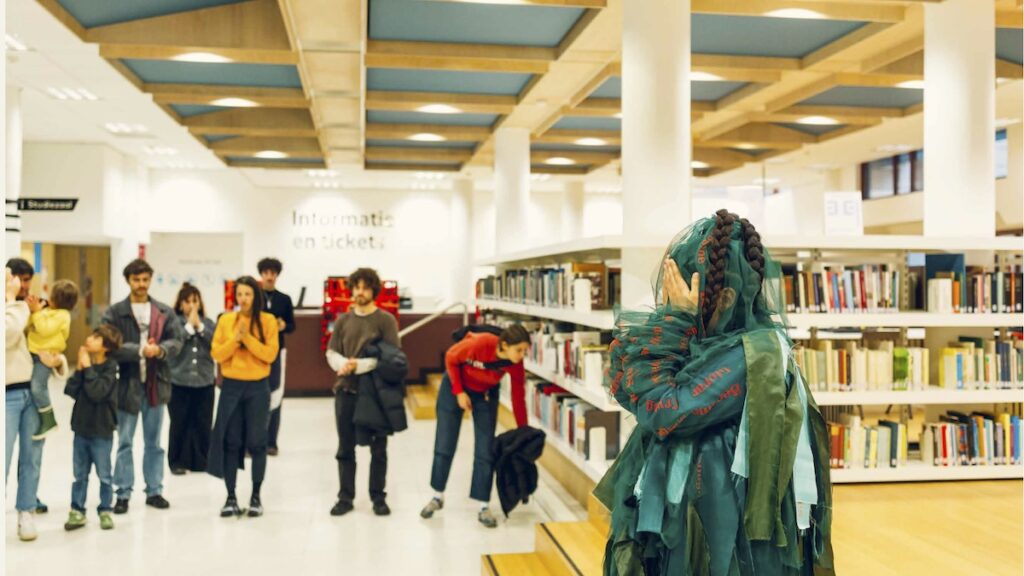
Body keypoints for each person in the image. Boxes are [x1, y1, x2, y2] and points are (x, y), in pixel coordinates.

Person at [595, 210, 834, 575]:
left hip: (720, 524)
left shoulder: (754, 355)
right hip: (683, 517)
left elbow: (665, 411)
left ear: (723, 298)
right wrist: (676, 325)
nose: (669, 301)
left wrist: (676, 322)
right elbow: (631, 390)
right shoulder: (699, 339)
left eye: (680, 291)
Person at [420, 323, 531, 528]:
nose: (522, 355)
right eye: (519, 350)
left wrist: (524, 430)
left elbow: (518, 398)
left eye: (525, 351)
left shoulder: (516, 364)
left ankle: (483, 506)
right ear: (504, 346)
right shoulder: (481, 343)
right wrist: (459, 392)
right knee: (445, 443)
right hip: (455, 387)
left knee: (485, 449)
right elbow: (451, 358)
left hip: (485, 394)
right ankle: (437, 496)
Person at [102, 259, 183, 514]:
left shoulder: (163, 311)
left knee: (154, 443)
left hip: (156, 386)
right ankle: (123, 493)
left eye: (145, 279)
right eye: (136, 279)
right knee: (125, 442)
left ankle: (154, 490)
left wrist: (160, 350)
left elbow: (177, 340)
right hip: (127, 386)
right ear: (128, 280)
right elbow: (107, 344)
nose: (141, 284)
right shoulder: (115, 312)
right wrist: (139, 350)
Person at [325, 268, 399, 517]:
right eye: (357, 287)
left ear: (373, 290)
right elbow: (331, 351)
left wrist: (359, 365)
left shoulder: (386, 321)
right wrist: (343, 364)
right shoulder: (343, 320)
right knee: (345, 447)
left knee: (379, 448)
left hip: (376, 393)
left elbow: (392, 357)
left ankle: (378, 497)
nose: (360, 292)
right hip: (346, 390)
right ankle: (345, 497)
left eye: (365, 288)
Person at [208, 276, 279, 518]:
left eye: (248, 294)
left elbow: (269, 355)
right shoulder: (226, 320)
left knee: (258, 442)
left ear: (255, 296)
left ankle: (256, 496)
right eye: (239, 294)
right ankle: (230, 497)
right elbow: (217, 353)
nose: (243, 299)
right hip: (231, 387)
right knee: (231, 441)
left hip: (258, 387)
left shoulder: (268, 321)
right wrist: (235, 340)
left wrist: (246, 338)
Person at [63, 324, 123, 532]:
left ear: (106, 346)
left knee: (104, 474)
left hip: (102, 430)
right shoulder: (85, 364)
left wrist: (88, 368)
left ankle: (105, 509)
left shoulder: (111, 368)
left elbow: (98, 392)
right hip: (81, 428)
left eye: (96, 337)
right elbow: (70, 390)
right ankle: (77, 510)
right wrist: (80, 370)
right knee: (79, 474)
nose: (89, 339)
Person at [6, 261, 45, 541]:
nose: (22, 284)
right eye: (17, 278)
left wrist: (57, 362)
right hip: (7, 393)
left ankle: (26, 511)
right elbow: (7, 335)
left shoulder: (33, 306)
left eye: (27, 279)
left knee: (32, 457)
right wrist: (11, 300)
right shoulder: (12, 308)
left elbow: (52, 339)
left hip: (35, 393)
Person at [167, 283, 216, 474]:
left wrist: (200, 327)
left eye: (195, 301)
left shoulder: (208, 323)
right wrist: (189, 327)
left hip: (204, 381)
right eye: (187, 302)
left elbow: (215, 344)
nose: (191, 306)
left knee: (203, 423)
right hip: (179, 381)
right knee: (179, 423)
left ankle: (201, 461)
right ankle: (177, 461)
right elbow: (174, 346)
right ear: (180, 304)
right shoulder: (173, 324)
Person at [26, 279, 78, 439]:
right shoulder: (49, 311)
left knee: (38, 386)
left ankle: (49, 420)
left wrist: (37, 312)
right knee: (35, 386)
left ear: (55, 299)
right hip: (34, 353)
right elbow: (31, 325)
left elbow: (44, 329)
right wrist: (34, 309)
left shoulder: (63, 315)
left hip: (45, 357)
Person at [258, 257, 295, 456]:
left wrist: (283, 326)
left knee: (276, 394)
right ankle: (254, 440)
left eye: (273, 273)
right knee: (256, 394)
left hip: (277, 351)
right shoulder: (255, 297)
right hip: (257, 351)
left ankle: (271, 442)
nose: (269, 276)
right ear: (261, 274)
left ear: (277, 275)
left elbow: (292, 326)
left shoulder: (284, 299)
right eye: (266, 273)